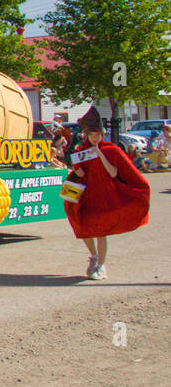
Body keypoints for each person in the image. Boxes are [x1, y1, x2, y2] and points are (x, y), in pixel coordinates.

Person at [63, 105, 150, 280]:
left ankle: (101, 266)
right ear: (87, 135)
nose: (95, 138)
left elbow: (114, 173)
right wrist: (77, 170)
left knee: (101, 231)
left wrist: (100, 154)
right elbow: (78, 173)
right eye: (92, 135)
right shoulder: (80, 152)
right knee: (82, 228)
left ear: (102, 135)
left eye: (98, 135)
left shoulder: (112, 150)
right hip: (86, 196)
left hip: (104, 196)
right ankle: (94, 256)